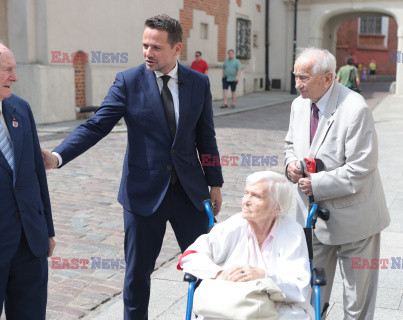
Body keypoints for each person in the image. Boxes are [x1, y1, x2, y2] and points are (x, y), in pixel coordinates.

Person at [41, 14, 224, 320]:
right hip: (143, 196)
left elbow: (206, 138)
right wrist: (58, 156)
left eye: (156, 47)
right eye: (144, 45)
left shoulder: (199, 83)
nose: (148, 52)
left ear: (177, 48)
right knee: (137, 276)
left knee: (205, 267)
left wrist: (215, 182)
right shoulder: (128, 81)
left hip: (190, 194)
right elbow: (96, 126)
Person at [284, 47, 390, 320]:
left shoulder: (355, 108)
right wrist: (290, 165)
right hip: (312, 218)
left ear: (329, 78)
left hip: (355, 218)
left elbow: (361, 168)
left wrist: (316, 183)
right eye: (296, 76)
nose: (298, 84)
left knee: (357, 301)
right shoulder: (298, 105)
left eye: (304, 78)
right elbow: (290, 145)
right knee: (312, 293)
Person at [178, 171, 314, 320]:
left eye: (256, 196)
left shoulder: (292, 232)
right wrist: (219, 274)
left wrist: (265, 277)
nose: (246, 201)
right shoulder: (235, 224)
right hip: (234, 304)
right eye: (246, 193)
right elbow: (191, 255)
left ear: (276, 208)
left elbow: (300, 289)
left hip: (279, 306)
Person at [0, 43, 55, 319]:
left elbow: (35, 172)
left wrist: (47, 227)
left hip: (29, 243)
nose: (15, 77)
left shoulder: (20, 108)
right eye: (8, 69)